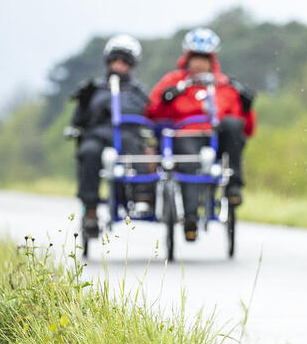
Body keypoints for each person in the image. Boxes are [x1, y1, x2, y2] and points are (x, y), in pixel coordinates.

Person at [145, 27, 255, 241]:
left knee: (232, 126)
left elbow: (246, 128)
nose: (199, 64)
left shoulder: (225, 85)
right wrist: (167, 99)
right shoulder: (172, 81)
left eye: (204, 58)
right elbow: (152, 113)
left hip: (215, 136)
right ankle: (191, 217)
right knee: (189, 162)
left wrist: (247, 107)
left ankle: (234, 187)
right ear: (187, 58)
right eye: (195, 58)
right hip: (185, 136)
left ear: (211, 60)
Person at [69, 34, 150, 239]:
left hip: (127, 134)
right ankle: (90, 210)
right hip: (97, 135)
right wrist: (84, 102)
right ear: (108, 61)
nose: (118, 66)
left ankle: (142, 194)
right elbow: (78, 120)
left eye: (124, 62)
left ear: (131, 65)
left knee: (134, 147)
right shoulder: (94, 89)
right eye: (115, 61)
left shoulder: (137, 91)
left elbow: (147, 114)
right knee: (88, 152)